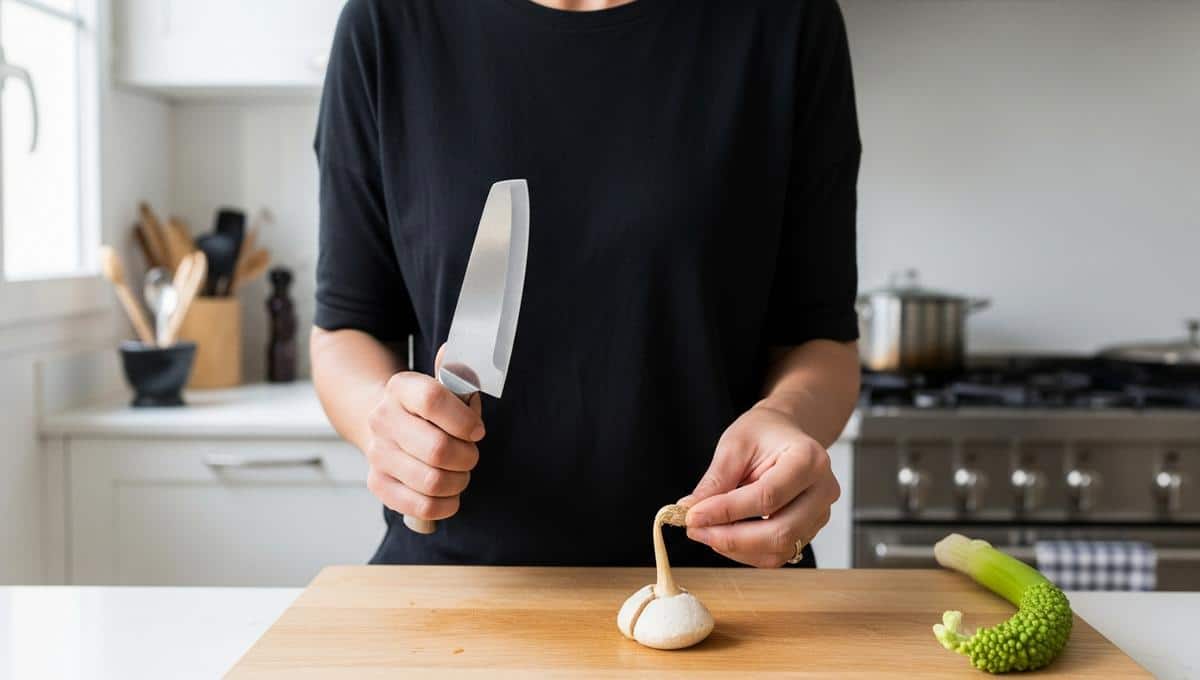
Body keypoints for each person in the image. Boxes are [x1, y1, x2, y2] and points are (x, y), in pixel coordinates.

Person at [311, 0, 861, 569]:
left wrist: (788, 418)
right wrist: (389, 430)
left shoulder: (788, 19)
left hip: (724, 583)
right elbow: (345, 330)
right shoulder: (390, 20)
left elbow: (821, 340)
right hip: (457, 588)